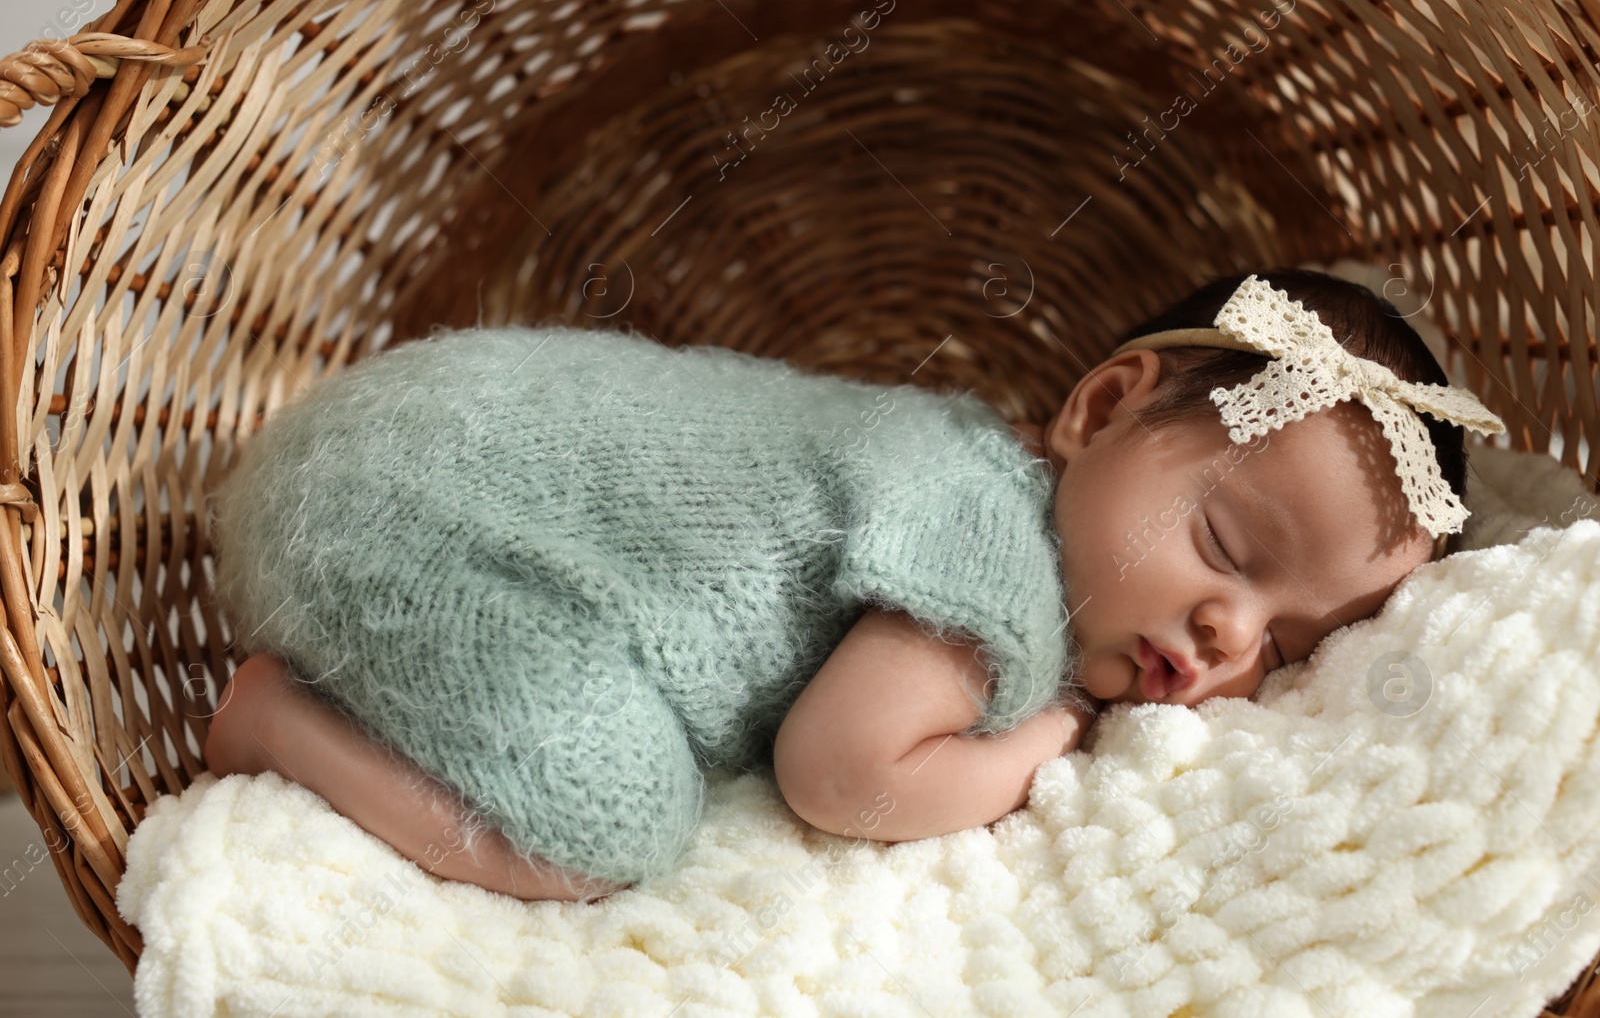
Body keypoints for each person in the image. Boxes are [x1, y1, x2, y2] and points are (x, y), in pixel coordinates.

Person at [202, 268, 1504, 903]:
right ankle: (275, 719)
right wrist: (1062, 730)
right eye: (1226, 548)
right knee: (607, 834)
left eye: (1289, 646)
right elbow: (845, 773)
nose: (1233, 636)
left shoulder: (972, 470)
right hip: (413, 508)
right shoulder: (987, 557)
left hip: (409, 466)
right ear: (1102, 409)